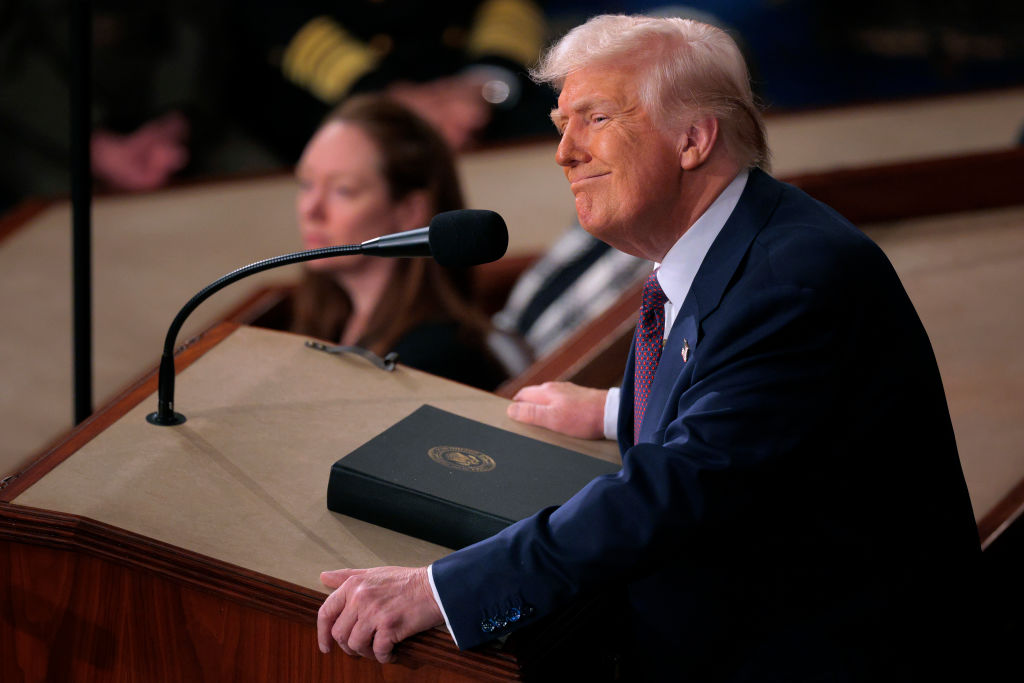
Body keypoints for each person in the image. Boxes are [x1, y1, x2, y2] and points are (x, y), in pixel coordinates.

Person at [315, 15, 982, 680]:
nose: (564, 152)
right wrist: (614, 410)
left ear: (692, 139)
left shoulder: (796, 277)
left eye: (594, 119)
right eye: (560, 125)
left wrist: (442, 590)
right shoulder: (727, 249)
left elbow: (679, 484)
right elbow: (758, 417)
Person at [276, 94, 507, 391]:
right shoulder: (329, 323)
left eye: (343, 190)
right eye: (306, 184)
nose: (311, 210)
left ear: (409, 211)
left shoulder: (433, 358)